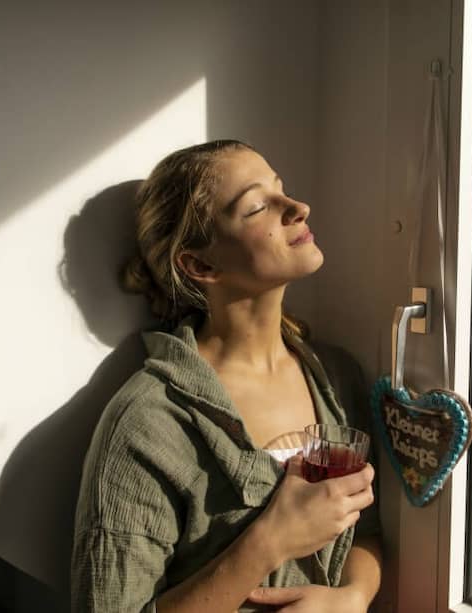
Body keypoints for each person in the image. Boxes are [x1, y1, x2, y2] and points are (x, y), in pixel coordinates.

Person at [70, 140, 382, 612]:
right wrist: (269, 542)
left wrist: (353, 597)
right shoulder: (147, 426)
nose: (297, 208)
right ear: (199, 265)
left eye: (282, 190)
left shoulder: (337, 377)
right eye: (257, 206)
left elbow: (369, 532)